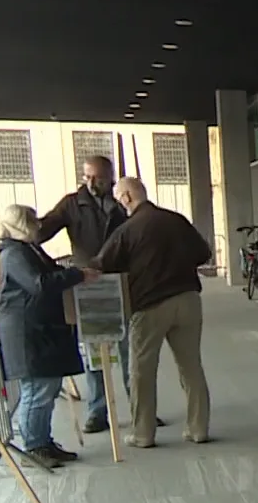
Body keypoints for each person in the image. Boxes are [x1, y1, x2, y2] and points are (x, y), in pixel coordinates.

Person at [92, 177, 214, 448]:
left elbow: (103, 264)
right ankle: (198, 429)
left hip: (150, 306)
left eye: (118, 198)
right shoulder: (176, 220)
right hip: (188, 299)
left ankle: (143, 433)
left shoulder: (128, 230)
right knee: (191, 366)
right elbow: (203, 253)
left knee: (142, 371)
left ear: (126, 197)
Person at [37, 155, 138, 434]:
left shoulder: (122, 203)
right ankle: (97, 412)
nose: (92, 183)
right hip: (87, 285)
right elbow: (44, 229)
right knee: (95, 353)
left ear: (111, 177)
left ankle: (141, 409)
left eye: (99, 178)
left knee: (130, 350)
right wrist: (22, 234)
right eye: (87, 177)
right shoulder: (71, 204)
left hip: (119, 282)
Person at [0, 204, 94, 468]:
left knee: (46, 388)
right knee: (37, 390)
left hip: (39, 329)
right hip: (28, 333)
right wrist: (77, 275)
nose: (39, 225)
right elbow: (38, 284)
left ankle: (43, 441)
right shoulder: (14, 253)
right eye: (33, 221)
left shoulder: (26, 249)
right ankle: (33, 446)